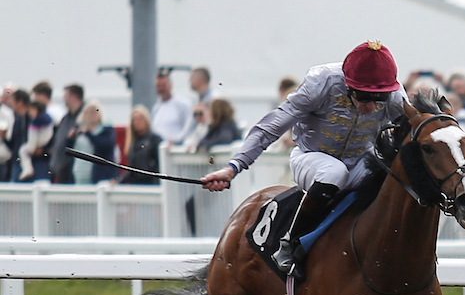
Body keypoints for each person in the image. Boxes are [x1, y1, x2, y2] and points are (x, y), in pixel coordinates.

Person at [200, 40, 410, 280]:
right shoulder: (322, 82)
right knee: (334, 173)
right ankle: (289, 242)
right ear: (347, 84)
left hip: (361, 161)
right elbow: (273, 126)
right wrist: (233, 168)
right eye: (363, 97)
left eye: (379, 99)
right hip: (311, 158)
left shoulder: (395, 95)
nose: (371, 107)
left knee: (388, 175)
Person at [72, 100, 119, 183]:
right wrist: (70, 138)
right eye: (89, 112)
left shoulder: (106, 130)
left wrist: (89, 134)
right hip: (80, 172)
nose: (92, 115)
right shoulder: (79, 131)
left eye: (95, 111)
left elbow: (104, 145)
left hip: (101, 174)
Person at [49, 83, 84, 183]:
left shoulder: (83, 117)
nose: (63, 99)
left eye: (65, 96)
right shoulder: (65, 118)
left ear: (74, 97)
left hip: (73, 169)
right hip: (60, 168)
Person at [18, 89, 53, 181]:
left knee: (23, 150)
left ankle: (27, 169)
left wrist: (31, 149)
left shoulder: (35, 123)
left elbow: (32, 137)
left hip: (39, 146)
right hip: (46, 145)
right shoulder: (48, 118)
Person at [122, 105, 162, 183]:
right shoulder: (133, 143)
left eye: (140, 119)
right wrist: (117, 182)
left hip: (152, 184)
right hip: (137, 185)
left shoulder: (155, 140)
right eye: (134, 120)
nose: (137, 122)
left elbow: (159, 165)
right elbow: (131, 170)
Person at [150, 71, 191, 145]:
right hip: (159, 149)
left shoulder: (182, 104)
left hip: (175, 150)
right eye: (158, 85)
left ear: (170, 85)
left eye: (164, 85)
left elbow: (188, 129)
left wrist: (175, 140)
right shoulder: (156, 108)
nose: (161, 88)